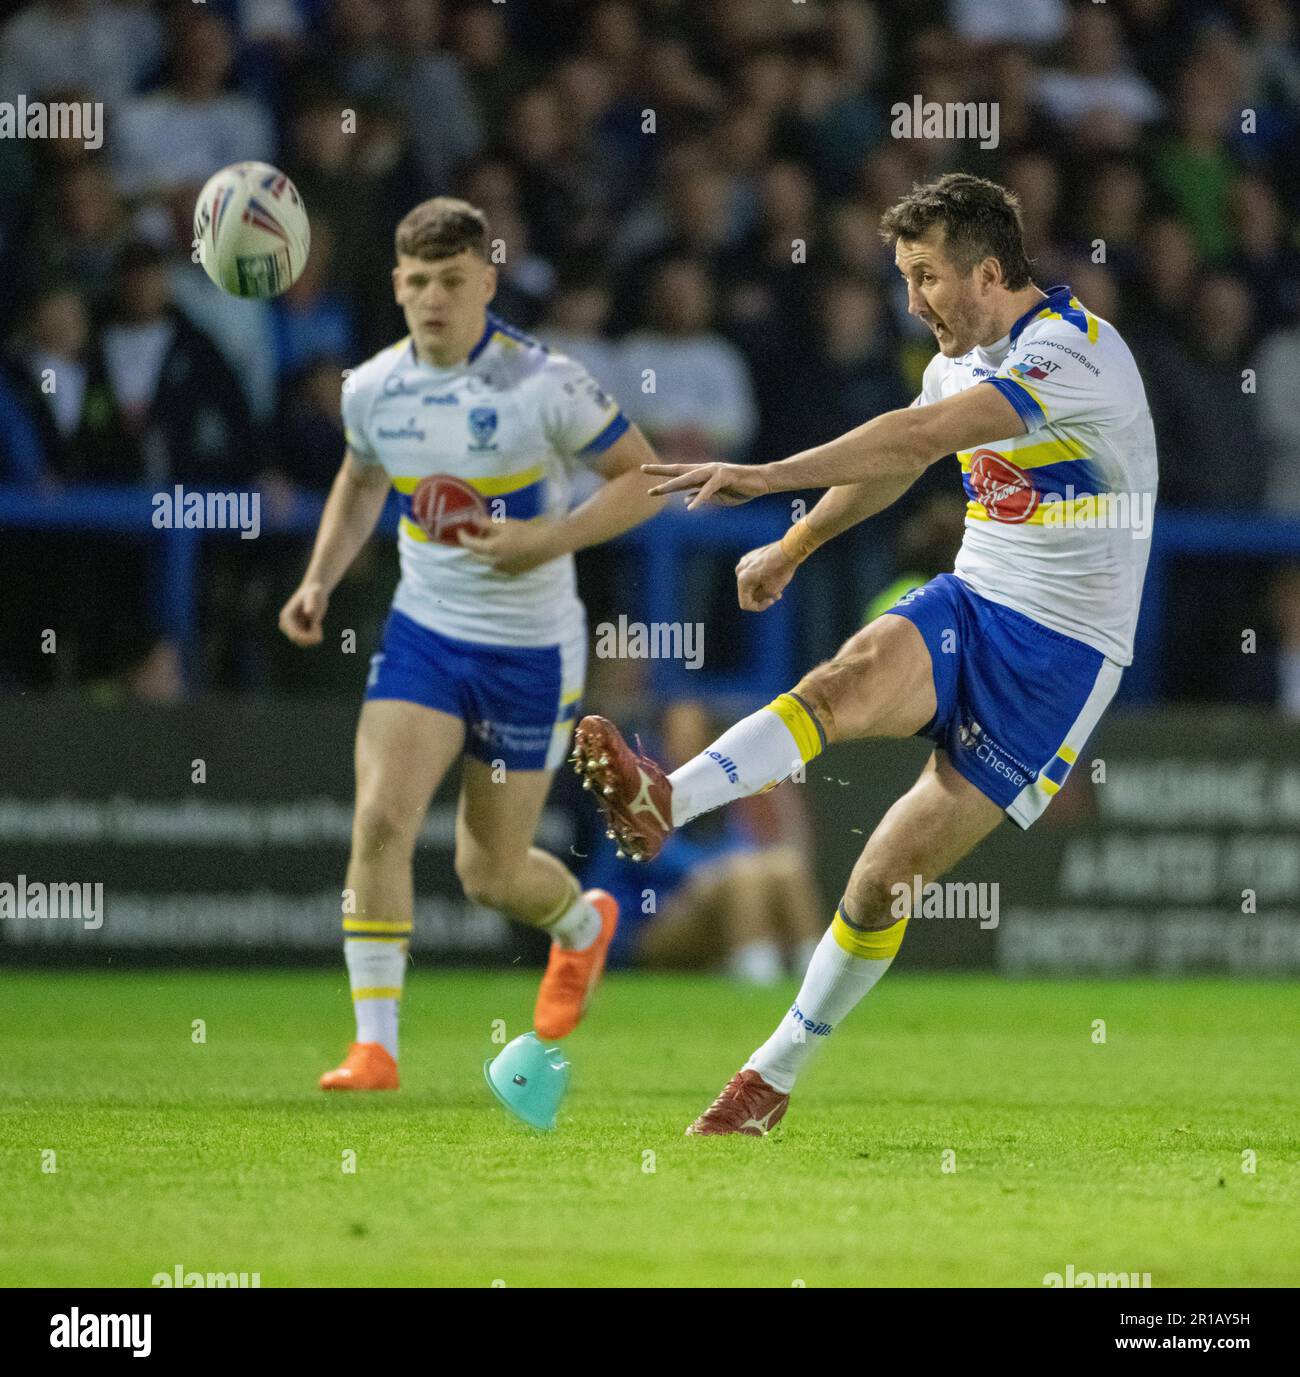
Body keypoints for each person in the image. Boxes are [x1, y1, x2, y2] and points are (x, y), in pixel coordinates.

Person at [570, 173, 1159, 1135]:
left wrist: (764, 479)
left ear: (990, 270)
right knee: (840, 681)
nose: (914, 300)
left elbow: (923, 434)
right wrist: (796, 545)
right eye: (904, 277)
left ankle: (772, 1075)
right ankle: (663, 799)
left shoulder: (1075, 355)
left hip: (1064, 653)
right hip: (976, 595)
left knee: (884, 880)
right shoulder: (954, 359)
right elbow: (900, 462)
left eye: (927, 276)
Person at [279, 196, 664, 1091]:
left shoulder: (545, 383)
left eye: (452, 281)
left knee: (489, 872)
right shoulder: (374, 386)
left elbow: (646, 478)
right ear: (397, 287)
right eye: (417, 282)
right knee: (379, 817)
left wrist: (546, 537)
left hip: (530, 650)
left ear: (487, 282)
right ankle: (375, 1047)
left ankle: (580, 923)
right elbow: (360, 479)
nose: (433, 299)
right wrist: (319, 579)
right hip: (426, 633)